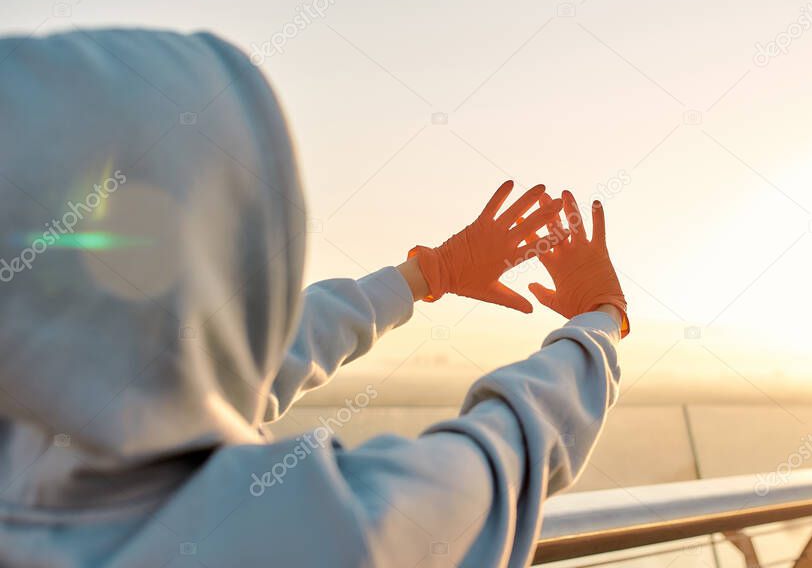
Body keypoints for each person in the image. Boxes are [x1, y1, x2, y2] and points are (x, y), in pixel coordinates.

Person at [0, 28, 628, 567]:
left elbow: (230, 370)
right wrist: (600, 320)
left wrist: (426, 275)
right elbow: (504, 459)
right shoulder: (309, 537)